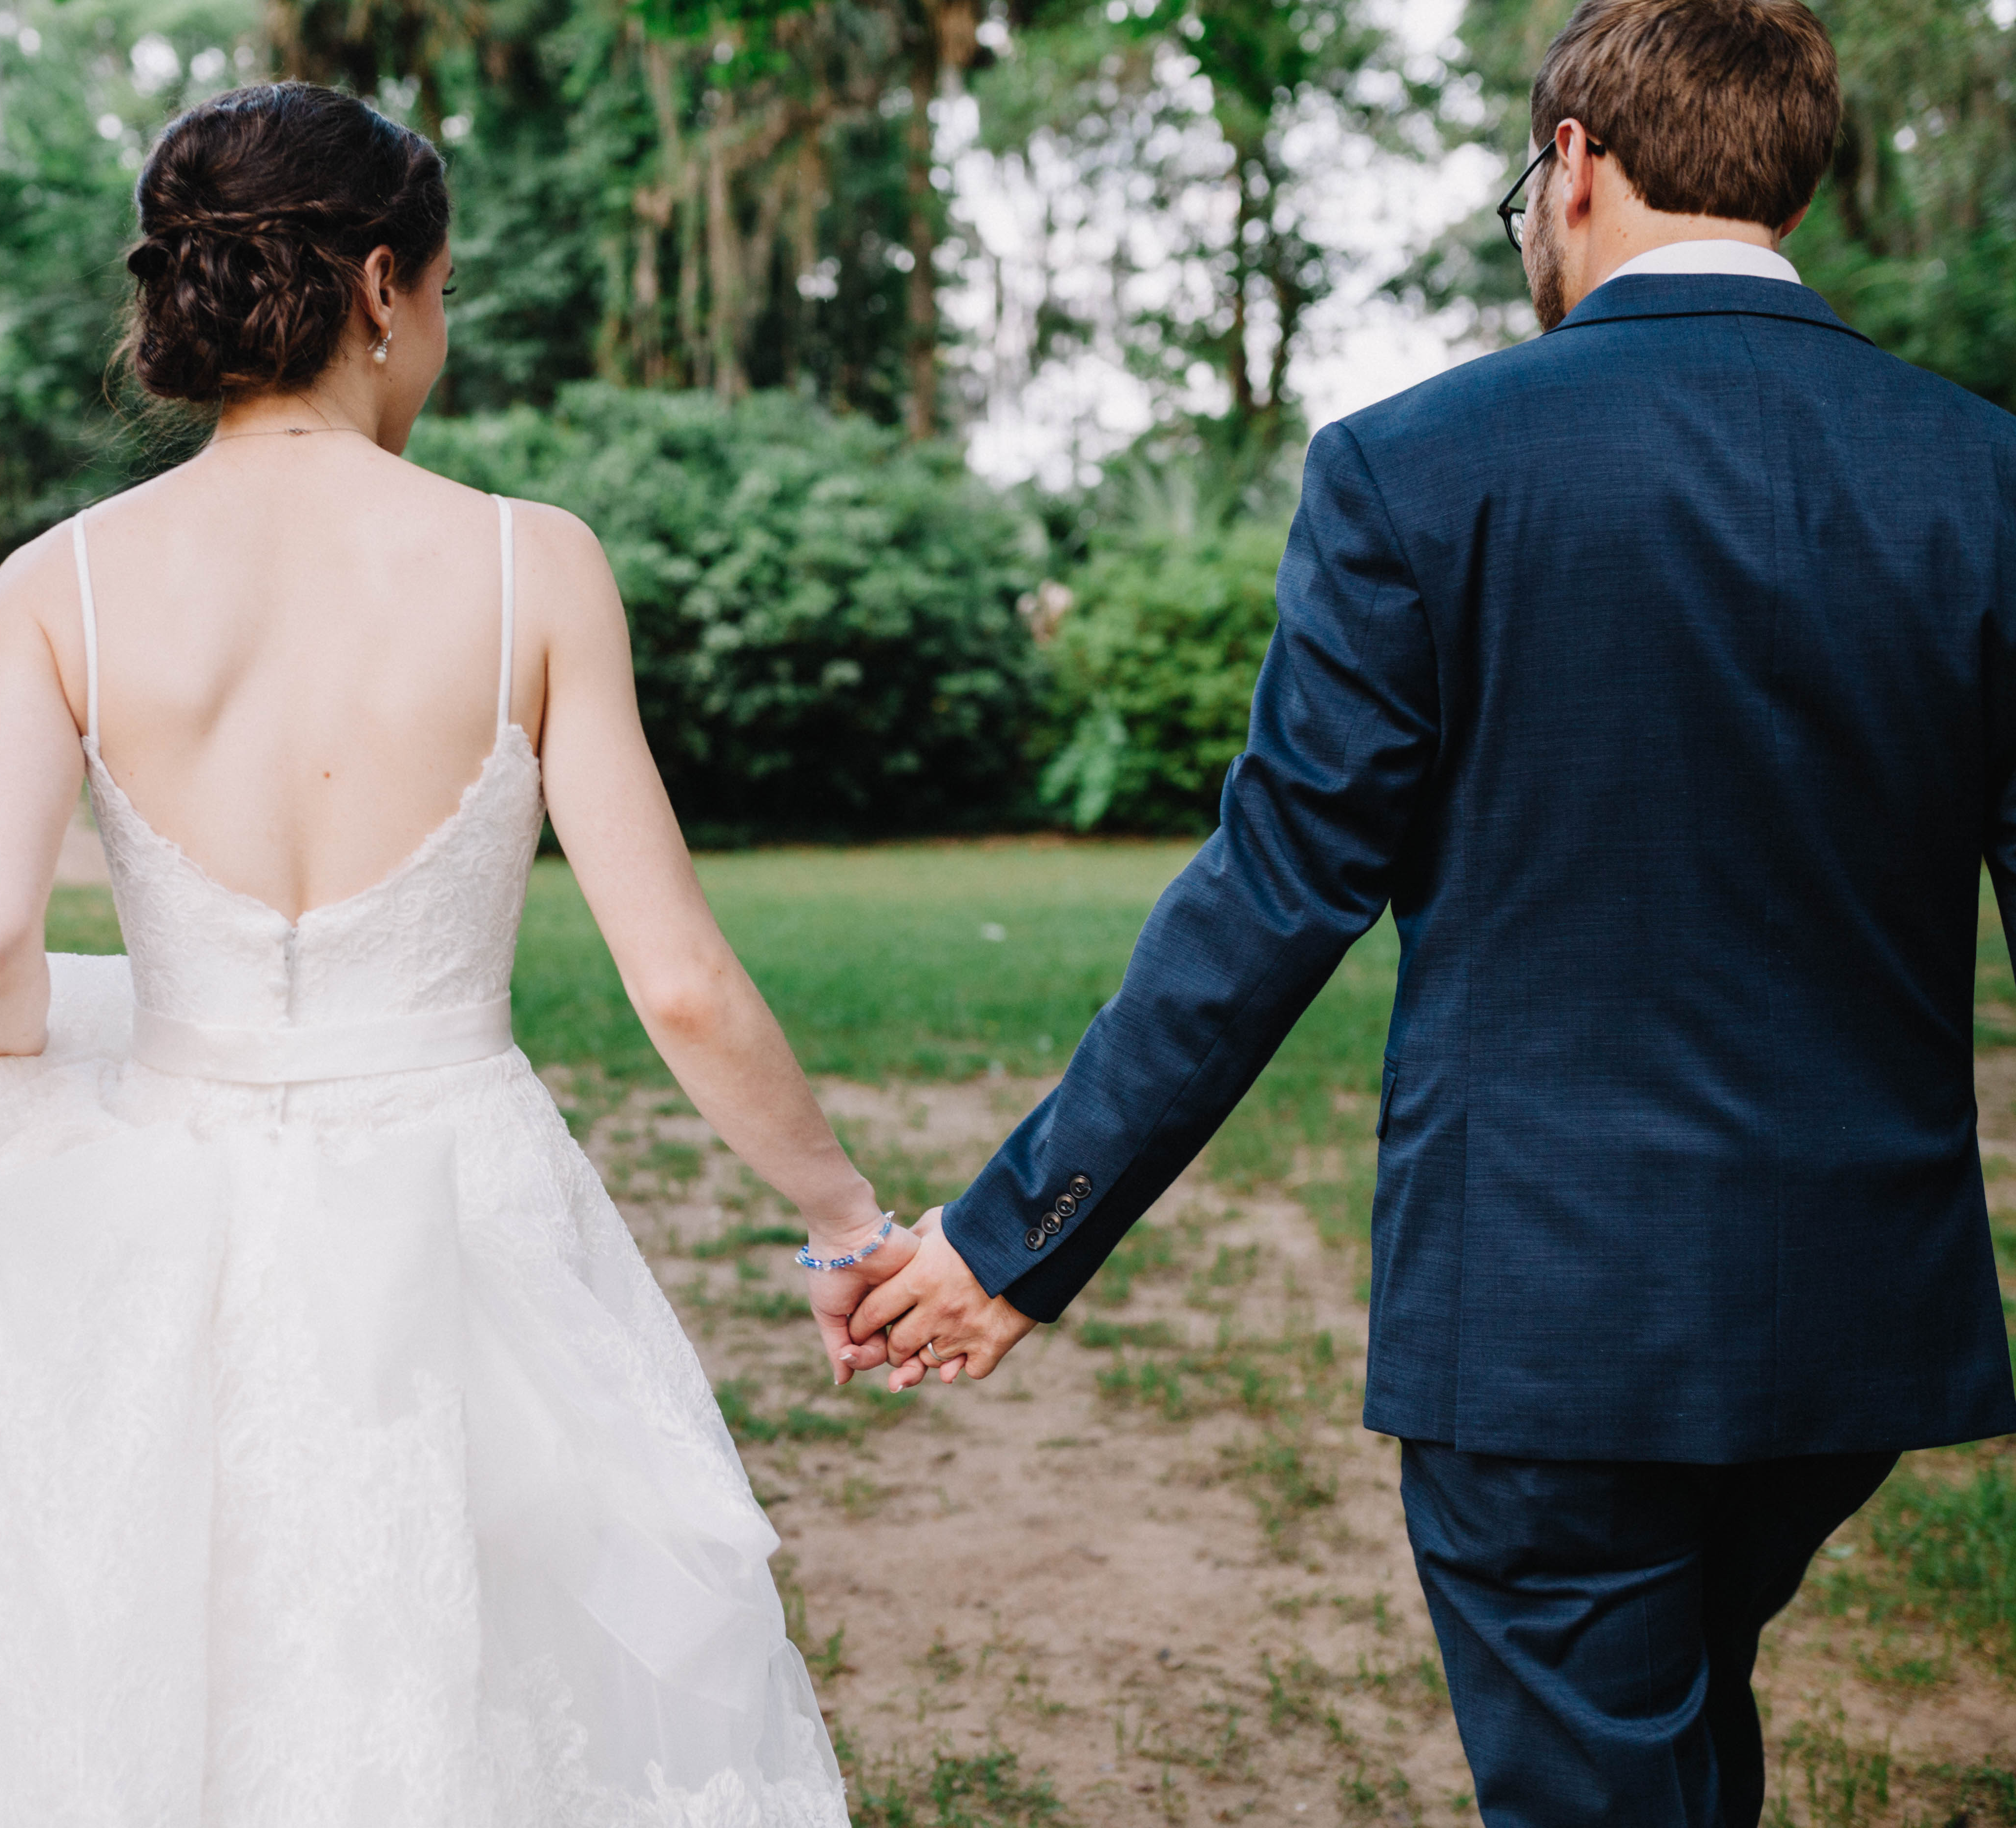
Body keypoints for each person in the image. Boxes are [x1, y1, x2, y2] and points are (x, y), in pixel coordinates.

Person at [0, 81, 905, 1827]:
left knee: (125, 1638)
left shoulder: (58, 584)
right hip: (454, 1197)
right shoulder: (532, 567)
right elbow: (685, 985)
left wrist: (31, 1080)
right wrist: (849, 1220)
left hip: (154, 1195)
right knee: (445, 1654)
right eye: (448, 300)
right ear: (386, 286)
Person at [843, 2, 2016, 1822]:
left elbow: (1274, 895)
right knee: (1675, 1716)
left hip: (1548, 1325)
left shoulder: (1416, 467)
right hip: (1853, 1323)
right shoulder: (1984, 479)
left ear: (1573, 163)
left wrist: (1016, 1238)